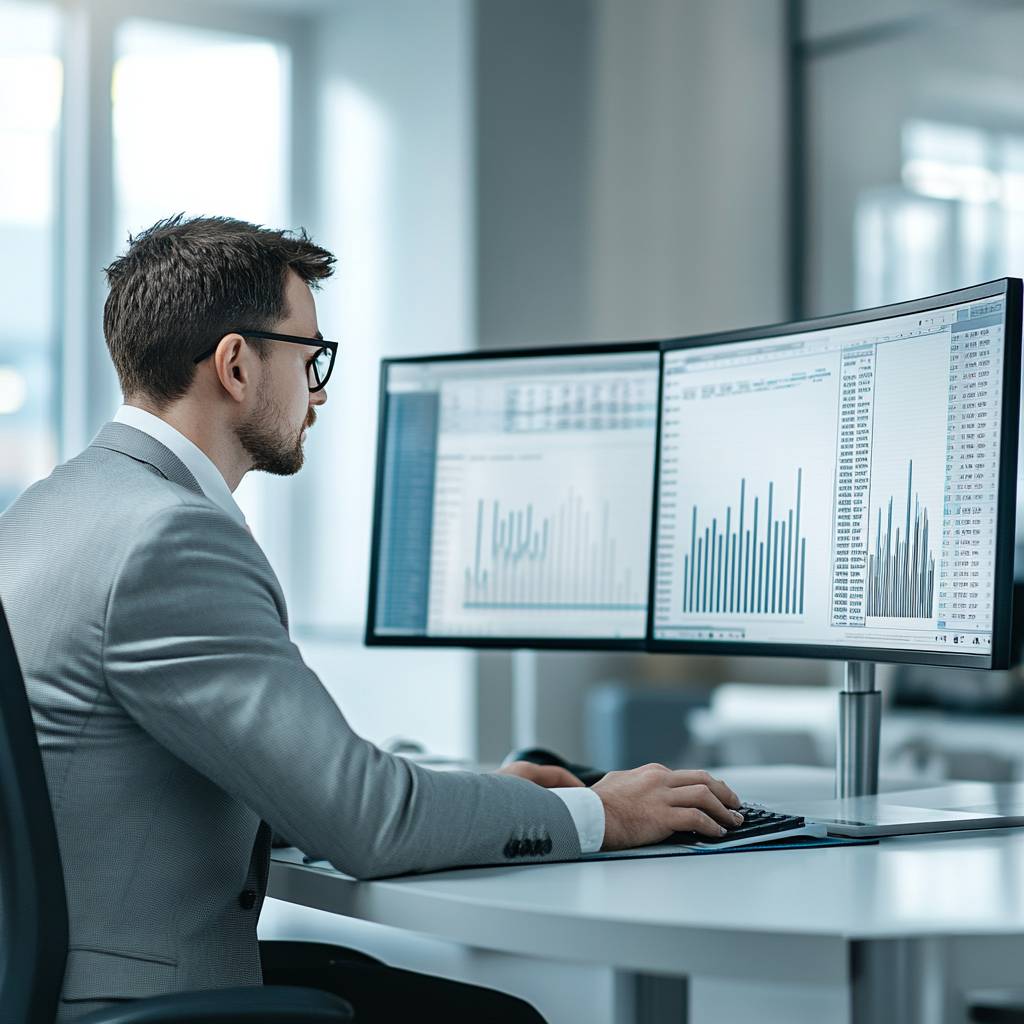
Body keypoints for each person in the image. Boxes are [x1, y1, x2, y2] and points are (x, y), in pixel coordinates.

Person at [0, 215, 744, 1023]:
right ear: (238, 365)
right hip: (128, 1000)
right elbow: (366, 823)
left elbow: (260, 781)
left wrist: (466, 797)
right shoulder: (171, 539)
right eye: (309, 356)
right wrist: (603, 811)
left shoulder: (52, 508)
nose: (318, 391)